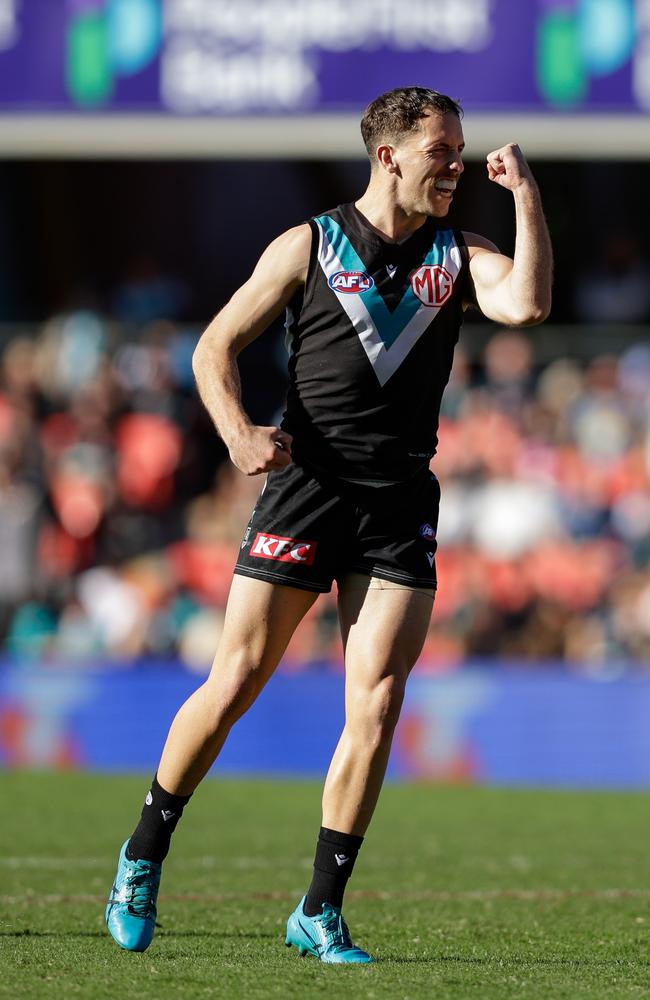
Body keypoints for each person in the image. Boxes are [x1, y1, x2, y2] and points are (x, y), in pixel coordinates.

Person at [105, 86, 552, 963]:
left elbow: (526, 306)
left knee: (377, 704)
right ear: (389, 156)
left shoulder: (460, 251)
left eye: (460, 150)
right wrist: (236, 433)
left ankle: (319, 908)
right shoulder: (311, 244)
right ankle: (143, 853)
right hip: (307, 489)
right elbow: (212, 347)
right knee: (233, 682)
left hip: (398, 504)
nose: (456, 165)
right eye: (442, 151)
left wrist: (526, 197)